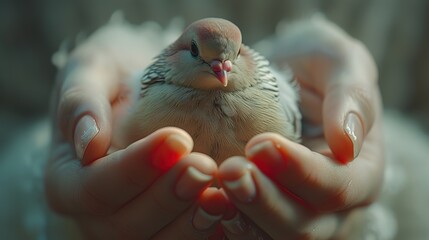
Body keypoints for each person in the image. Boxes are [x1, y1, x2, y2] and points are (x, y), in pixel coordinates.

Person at [45, 16, 383, 239]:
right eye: (199, 54)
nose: (221, 70)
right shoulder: (143, 95)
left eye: (229, 60)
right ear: (183, 51)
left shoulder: (274, 98)